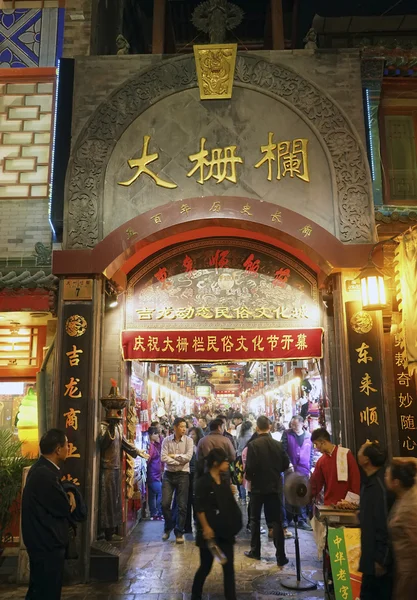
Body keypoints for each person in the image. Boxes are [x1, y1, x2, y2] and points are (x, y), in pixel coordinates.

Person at [22, 429, 76, 600]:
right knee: (46, 591)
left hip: (43, 541)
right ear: (58, 449)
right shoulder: (44, 474)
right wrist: (69, 497)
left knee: (41, 589)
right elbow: (62, 507)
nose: (69, 448)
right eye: (67, 445)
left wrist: (68, 492)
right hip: (46, 543)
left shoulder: (43, 469)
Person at [192, 448, 242, 600]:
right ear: (216, 463)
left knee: (229, 568)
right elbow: (199, 507)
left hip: (225, 530)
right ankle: (195, 595)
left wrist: (230, 491)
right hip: (210, 532)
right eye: (225, 461)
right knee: (205, 567)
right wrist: (206, 527)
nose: (228, 463)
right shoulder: (203, 482)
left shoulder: (224, 479)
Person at [244, 416, 290, 566]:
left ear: (257, 428)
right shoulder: (277, 445)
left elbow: (249, 468)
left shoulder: (253, 445)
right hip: (274, 487)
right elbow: (285, 464)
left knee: (255, 520)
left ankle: (255, 551)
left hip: (257, 488)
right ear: (269, 427)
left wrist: (251, 478)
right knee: (276, 521)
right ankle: (281, 556)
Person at [357, 442, 394, 600]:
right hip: (370, 558)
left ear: (366, 459)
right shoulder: (369, 481)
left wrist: (381, 559)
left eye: (361, 449)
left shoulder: (380, 486)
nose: (358, 451)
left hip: (378, 562)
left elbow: (386, 524)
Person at [386, 457, 417, 600]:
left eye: (387, 475)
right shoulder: (412, 491)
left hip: (409, 573)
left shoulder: (406, 511)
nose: (385, 477)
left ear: (396, 483)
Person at [161, 417, 193, 543]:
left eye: (185, 426)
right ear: (174, 428)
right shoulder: (166, 441)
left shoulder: (189, 441)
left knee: (182, 505)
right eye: (181, 426)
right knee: (164, 504)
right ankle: (169, 526)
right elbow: (163, 457)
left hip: (183, 475)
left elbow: (188, 457)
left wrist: (173, 456)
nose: (184, 429)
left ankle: (179, 532)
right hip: (168, 474)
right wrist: (178, 460)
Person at [310, 428, 360, 505]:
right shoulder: (321, 462)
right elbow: (315, 484)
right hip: (330, 506)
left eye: (316, 444)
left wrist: (349, 502)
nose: (316, 447)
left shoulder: (345, 454)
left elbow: (355, 479)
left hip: (347, 504)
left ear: (323, 442)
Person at [281, 415, 314, 530]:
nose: (293, 427)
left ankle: (301, 519)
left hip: (304, 470)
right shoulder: (287, 434)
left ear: (302, 423)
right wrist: (288, 463)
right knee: (289, 493)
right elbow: (283, 450)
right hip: (290, 470)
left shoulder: (308, 436)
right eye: (292, 425)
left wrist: (310, 467)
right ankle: (290, 518)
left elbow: (311, 453)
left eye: (296, 424)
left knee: (302, 493)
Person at [185, 426, 205, 533]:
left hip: (198, 476)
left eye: (193, 434)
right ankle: (187, 526)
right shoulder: (186, 446)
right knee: (187, 501)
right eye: (190, 434)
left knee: (197, 500)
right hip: (187, 475)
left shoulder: (201, 446)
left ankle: (198, 523)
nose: (191, 436)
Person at [147, 426, 163, 520]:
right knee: (161, 492)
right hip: (153, 475)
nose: (158, 436)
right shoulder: (151, 447)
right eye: (156, 434)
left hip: (154, 474)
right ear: (152, 434)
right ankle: (159, 513)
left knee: (152, 495)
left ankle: (153, 514)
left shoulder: (153, 445)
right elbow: (148, 459)